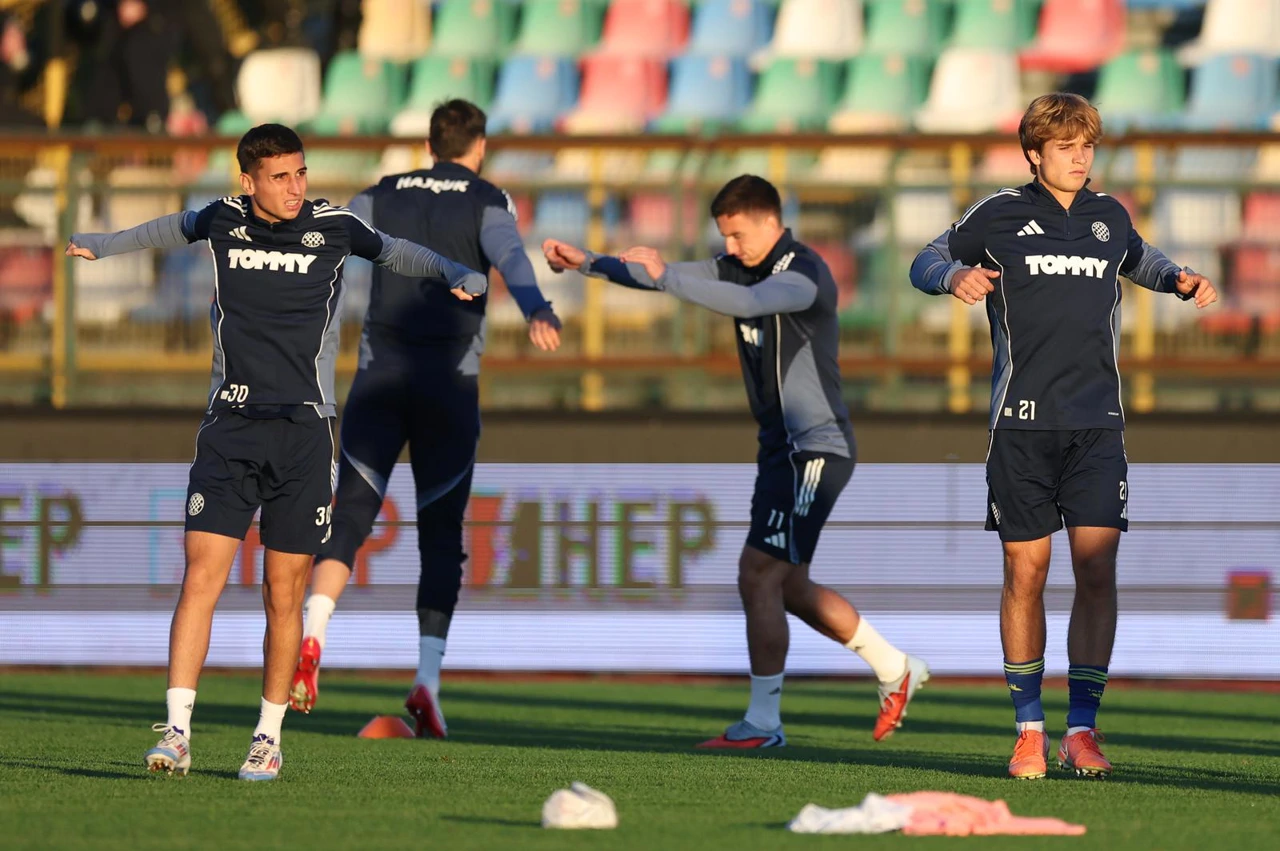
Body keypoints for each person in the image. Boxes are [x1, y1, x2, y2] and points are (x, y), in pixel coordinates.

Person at [65, 123, 486, 781]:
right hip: (229, 425)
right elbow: (163, 229)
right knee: (200, 573)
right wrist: (102, 245)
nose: (296, 187)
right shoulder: (221, 219)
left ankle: (267, 736)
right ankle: (176, 730)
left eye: (301, 172)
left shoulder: (335, 227)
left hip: (304, 432)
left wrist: (455, 268)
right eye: (281, 176)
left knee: (282, 591)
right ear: (249, 181)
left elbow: (399, 251)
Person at [542, 175, 929, 748]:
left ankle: (764, 724)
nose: (730, 246)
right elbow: (665, 278)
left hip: (815, 447)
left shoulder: (804, 272)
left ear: (771, 222)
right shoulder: (738, 265)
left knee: (758, 575)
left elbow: (742, 300)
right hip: (780, 449)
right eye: (724, 236)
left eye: (738, 234)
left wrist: (668, 274)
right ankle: (895, 667)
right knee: (788, 585)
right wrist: (588, 263)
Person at [909, 93, 1218, 780]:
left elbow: (1140, 259)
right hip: (1019, 426)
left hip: (1096, 425)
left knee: (1096, 569)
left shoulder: (1109, 216)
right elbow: (924, 260)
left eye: (1088, 145)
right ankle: (1027, 730)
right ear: (1034, 153)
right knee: (1027, 571)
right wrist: (953, 275)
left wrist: (1178, 279)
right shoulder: (998, 213)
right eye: (1066, 146)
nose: (1080, 156)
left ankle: (1082, 729)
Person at [289, 99, 561, 738]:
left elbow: (320, 241)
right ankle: (427, 681)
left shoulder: (377, 195)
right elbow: (511, 260)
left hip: (379, 380)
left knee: (349, 516)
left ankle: (313, 637)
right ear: (479, 145)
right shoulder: (489, 199)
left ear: (432, 143)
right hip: (449, 388)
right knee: (441, 534)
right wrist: (537, 309)